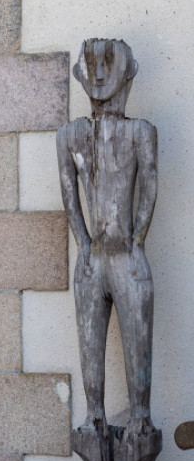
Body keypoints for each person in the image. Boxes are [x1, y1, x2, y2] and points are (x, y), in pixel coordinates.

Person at [56, 40, 157, 434]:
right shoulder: (70, 135)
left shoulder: (140, 132)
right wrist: (83, 243)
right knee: (89, 343)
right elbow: (69, 197)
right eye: (92, 64)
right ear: (82, 72)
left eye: (109, 63)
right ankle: (94, 414)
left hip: (127, 256)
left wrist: (138, 237)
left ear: (128, 71)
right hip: (94, 258)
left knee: (138, 341)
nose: (99, 74)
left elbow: (149, 184)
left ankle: (140, 416)